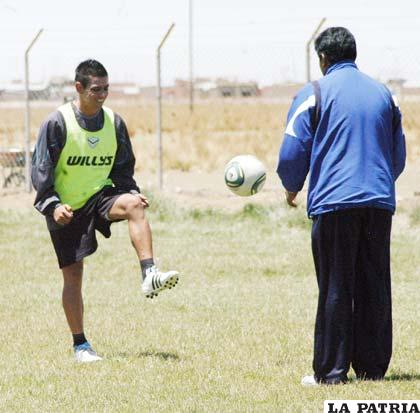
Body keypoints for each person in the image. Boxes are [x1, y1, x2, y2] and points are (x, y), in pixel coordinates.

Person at [277, 27, 406, 385]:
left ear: (322, 59)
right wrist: (377, 185)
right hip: (378, 203)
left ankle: (331, 373)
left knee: (336, 285)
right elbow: (398, 154)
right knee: (374, 283)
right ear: (354, 54)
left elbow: (292, 151)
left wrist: (292, 187)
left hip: (335, 202)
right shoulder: (385, 94)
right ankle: (372, 368)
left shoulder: (314, 93)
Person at [31, 59, 180, 363]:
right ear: (78, 88)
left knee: (135, 204)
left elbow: (123, 167)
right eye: (96, 90)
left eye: (106, 89)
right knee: (73, 277)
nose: (102, 95)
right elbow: (40, 171)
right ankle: (81, 345)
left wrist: (130, 190)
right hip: (67, 207)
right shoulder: (57, 123)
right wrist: (53, 205)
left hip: (101, 196)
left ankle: (149, 273)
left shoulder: (114, 122)